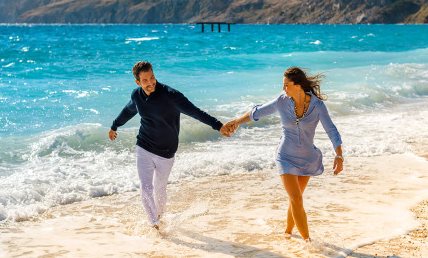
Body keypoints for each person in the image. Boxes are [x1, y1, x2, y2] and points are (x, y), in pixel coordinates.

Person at [224, 67, 343, 242]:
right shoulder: (282, 101)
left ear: (298, 85)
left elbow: (331, 130)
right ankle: (308, 243)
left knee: (296, 199)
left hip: (308, 157)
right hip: (285, 156)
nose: (284, 89)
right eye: (283, 85)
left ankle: (287, 232)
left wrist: (339, 155)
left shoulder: (318, 106)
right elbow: (257, 112)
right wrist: (236, 122)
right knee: (296, 198)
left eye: (286, 85)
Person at [109, 61, 231, 229]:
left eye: (152, 77)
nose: (150, 82)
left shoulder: (171, 95)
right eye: (145, 80)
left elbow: (195, 112)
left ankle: (159, 216)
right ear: (138, 82)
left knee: (160, 188)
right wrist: (115, 126)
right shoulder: (137, 95)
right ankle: (154, 224)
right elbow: (129, 110)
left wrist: (218, 126)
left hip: (166, 152)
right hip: (143, 146)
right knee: (145, 187)